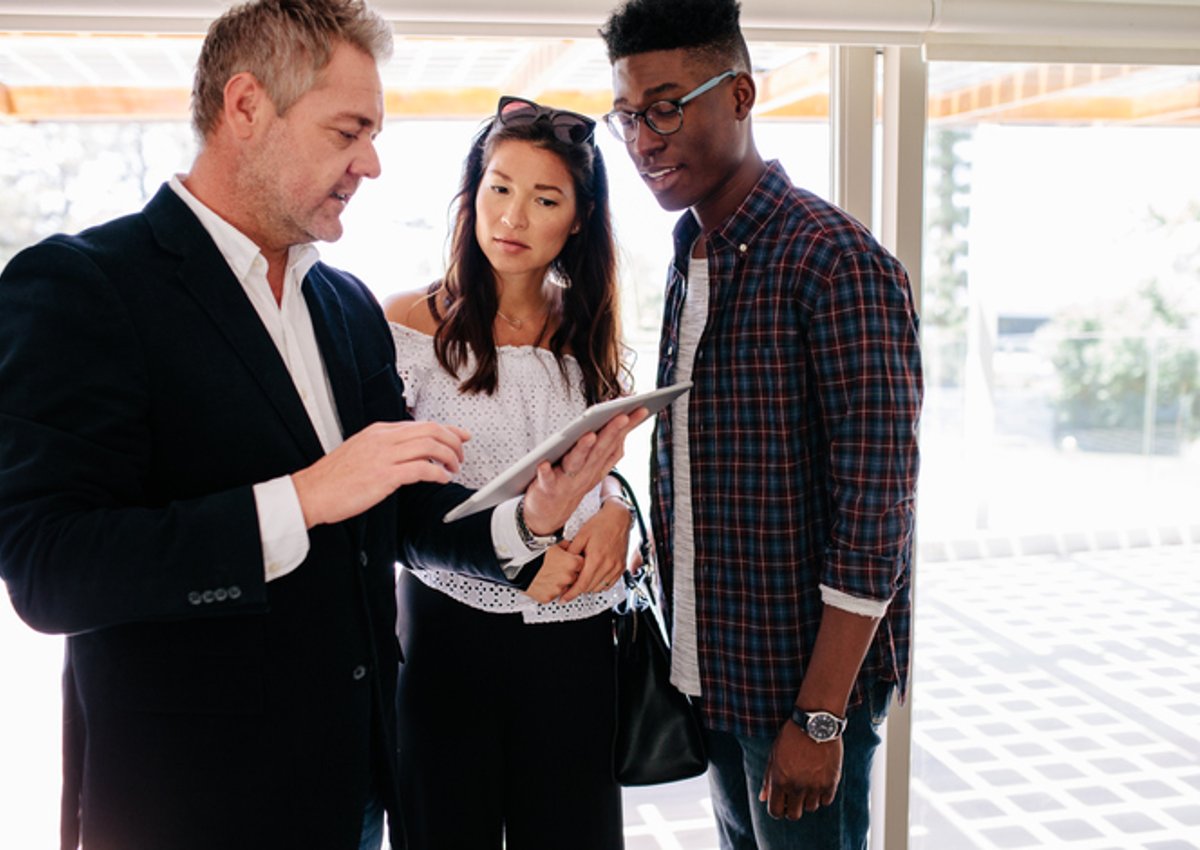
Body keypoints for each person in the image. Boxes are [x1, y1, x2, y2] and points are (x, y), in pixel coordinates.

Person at [0, 2, 643, 849]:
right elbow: (51, 572)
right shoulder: (85, 286)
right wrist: (302, 499)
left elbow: (404, 517)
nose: (371, 164)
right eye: (349, 131)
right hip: (183, 806)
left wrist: (529, 519)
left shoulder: (342, 307)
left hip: (351, 798)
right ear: (245, 108)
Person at [598, 1, 924, 848]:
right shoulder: (693, 256)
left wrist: (819, 719)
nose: (643, 140)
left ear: (739, 95)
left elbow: (876, 513)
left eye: (666, 107)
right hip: (716, 679)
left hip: (799, 696)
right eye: (627, 116)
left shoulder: (835, 261)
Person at [383, 96, 631, 850]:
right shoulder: (404, 323)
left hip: (577, 642)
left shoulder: (589, 331)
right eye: (499, 187)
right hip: (450, 637)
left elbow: (603, 463)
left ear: (579, 218)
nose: (513, 217)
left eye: (544, 198)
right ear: (472, 193)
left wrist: (618, 511)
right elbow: (392, 504)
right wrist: (526, 538)